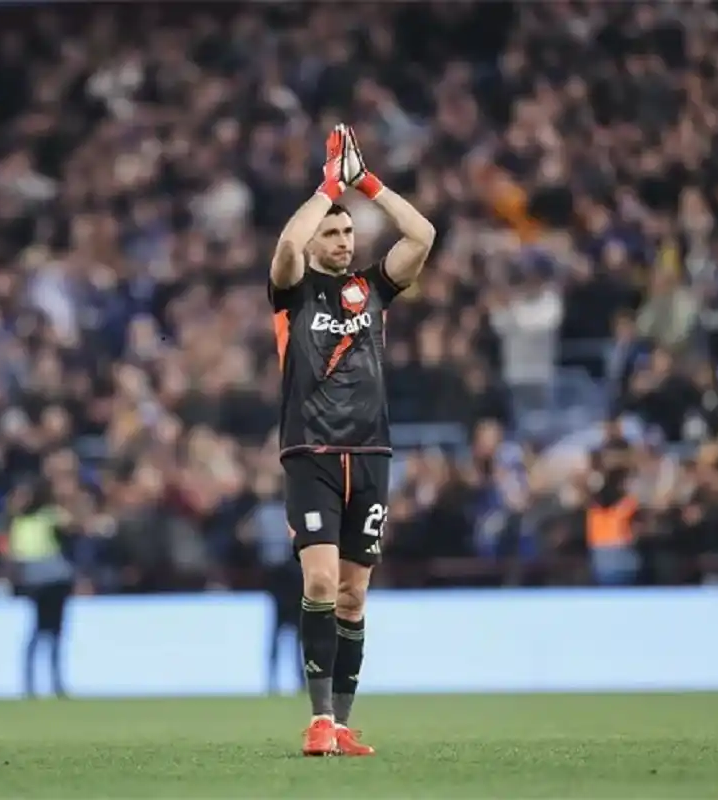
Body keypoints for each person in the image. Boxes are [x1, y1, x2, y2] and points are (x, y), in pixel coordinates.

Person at [268, 125, 436, 756]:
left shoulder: (373, 289)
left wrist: (367, 185)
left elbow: (422, 236)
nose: (344, 240)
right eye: (332, 232)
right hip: (310, 451)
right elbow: (287, 242)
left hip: (371, 451)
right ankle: (315, 722)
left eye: (348, 231)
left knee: (354, 592)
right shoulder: (292, 291)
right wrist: (327, 186)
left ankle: (340, 723)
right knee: (317, 582)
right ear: (315, 239)